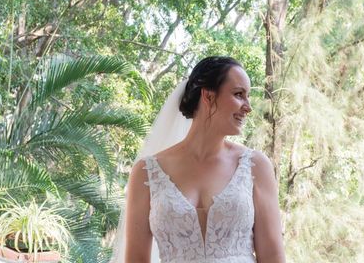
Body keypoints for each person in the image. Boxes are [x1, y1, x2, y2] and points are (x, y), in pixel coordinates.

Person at [111, 56, 286, 262]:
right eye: (239, 95)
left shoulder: (255, 166)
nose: (247, 106)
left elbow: (273, 257)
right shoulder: (146, 171)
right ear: (208, 96)